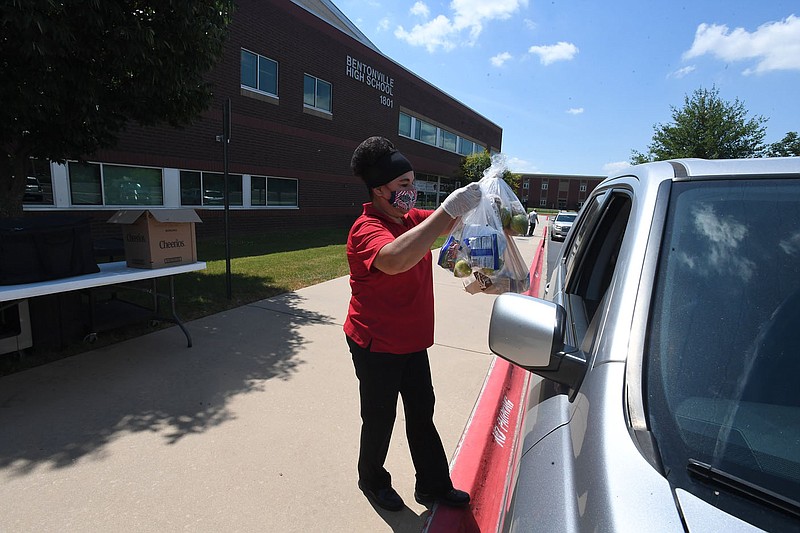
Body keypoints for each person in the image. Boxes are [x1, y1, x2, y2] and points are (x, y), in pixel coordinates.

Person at [344, 136, 480, 512]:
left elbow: (447, 225)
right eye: (403, 185)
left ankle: (433, 486)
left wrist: (480, 199)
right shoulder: (366, 228)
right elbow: (393, 260)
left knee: (422, 413)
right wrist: (445, 212)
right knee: (379, 418)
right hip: (376, 344)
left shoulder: (409, 219)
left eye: (413, 182)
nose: (412, 192)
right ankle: (371, 479)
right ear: (379, 190)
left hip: (412, 342)